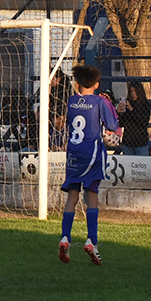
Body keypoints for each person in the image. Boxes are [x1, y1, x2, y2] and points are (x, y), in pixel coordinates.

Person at [58, 65, 119, 266]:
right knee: (91, 195)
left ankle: (65, 237)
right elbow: (112, 127)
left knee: (72, 195)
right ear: (97, 84)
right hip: (92, 155)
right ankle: (92, 240)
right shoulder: (100, 102)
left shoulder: (72, 101)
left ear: (77, 84)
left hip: (74, 154)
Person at [117, 82, 151, 156]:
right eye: (131, 91)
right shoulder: (127, 104)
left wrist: (132, 109)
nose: (133, 93)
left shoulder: (145, 105)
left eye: (135, 91)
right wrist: (119, 112)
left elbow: (143, 122)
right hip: (128, 141)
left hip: (140, 142)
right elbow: (121, 123)